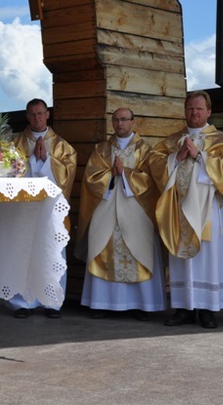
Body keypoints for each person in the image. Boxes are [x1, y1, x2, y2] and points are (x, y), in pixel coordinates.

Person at [148, 91, 223, 329]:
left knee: (208, 258)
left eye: (199, 109)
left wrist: (200, 156)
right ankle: (184, 308)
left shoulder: (219, 139)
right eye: (190, 108)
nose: (194, 113)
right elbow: (155, 163)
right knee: (182, 258)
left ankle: (207, 309)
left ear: (209, 111)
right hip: (180, 209)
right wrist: (177, 157)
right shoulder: (172, 140)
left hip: (208, 209)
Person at [76, 107, 165, 320]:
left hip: (137, 214)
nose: (119, 124)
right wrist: (110, 175)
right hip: (107, 212)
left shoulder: (146, 150)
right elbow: (91, 177)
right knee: (104, 251)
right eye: (115, 120)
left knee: (137, 254)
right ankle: (102, 303)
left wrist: (124, 173)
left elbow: (151, 181)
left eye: (124, 120)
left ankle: (140, 304)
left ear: (133, 122)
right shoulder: (103, 149)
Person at [9, 98, 77, 318]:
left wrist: (47, 161)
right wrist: (31, 160)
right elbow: (7, 171)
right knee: (23, 253)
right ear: (27, 117)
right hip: (23, 210)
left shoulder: (62, 146)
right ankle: (22, 302)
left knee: (52, 254)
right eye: (32, 114)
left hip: (51, 211)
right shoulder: (15, 143)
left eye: (40, 113)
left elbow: (67, 176)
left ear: (48, 114)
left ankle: (52, 302)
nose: (36, 118)